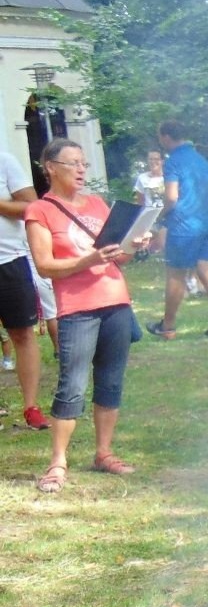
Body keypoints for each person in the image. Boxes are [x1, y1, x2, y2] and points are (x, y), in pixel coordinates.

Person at [25, 139, 144, 493]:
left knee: (110, 381)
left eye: (83, 164)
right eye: (72, 163)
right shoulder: (40, 210)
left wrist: (133, 247)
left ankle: (103, 453)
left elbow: (116, 256)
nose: (80, 170)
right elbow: (45, 266)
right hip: (77, 308)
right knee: (72, 385)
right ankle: (57, 462)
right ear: (50, 167)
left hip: (116, 302)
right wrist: (86, 261)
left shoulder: (96, 204)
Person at [151, 120, 208, 340]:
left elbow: (171, 197)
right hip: (206, 223)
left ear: (166, 137)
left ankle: (167, 327)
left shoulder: (173, 161)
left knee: (176, 275)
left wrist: (160, 215)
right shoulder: (201, 160)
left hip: (183, 226)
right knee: (207, 272)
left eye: (160, 138)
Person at [1, 146, 47, 430]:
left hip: (8, 261)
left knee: (22, 334)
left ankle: (30, 407)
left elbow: (32, 206)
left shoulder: (4, 160)